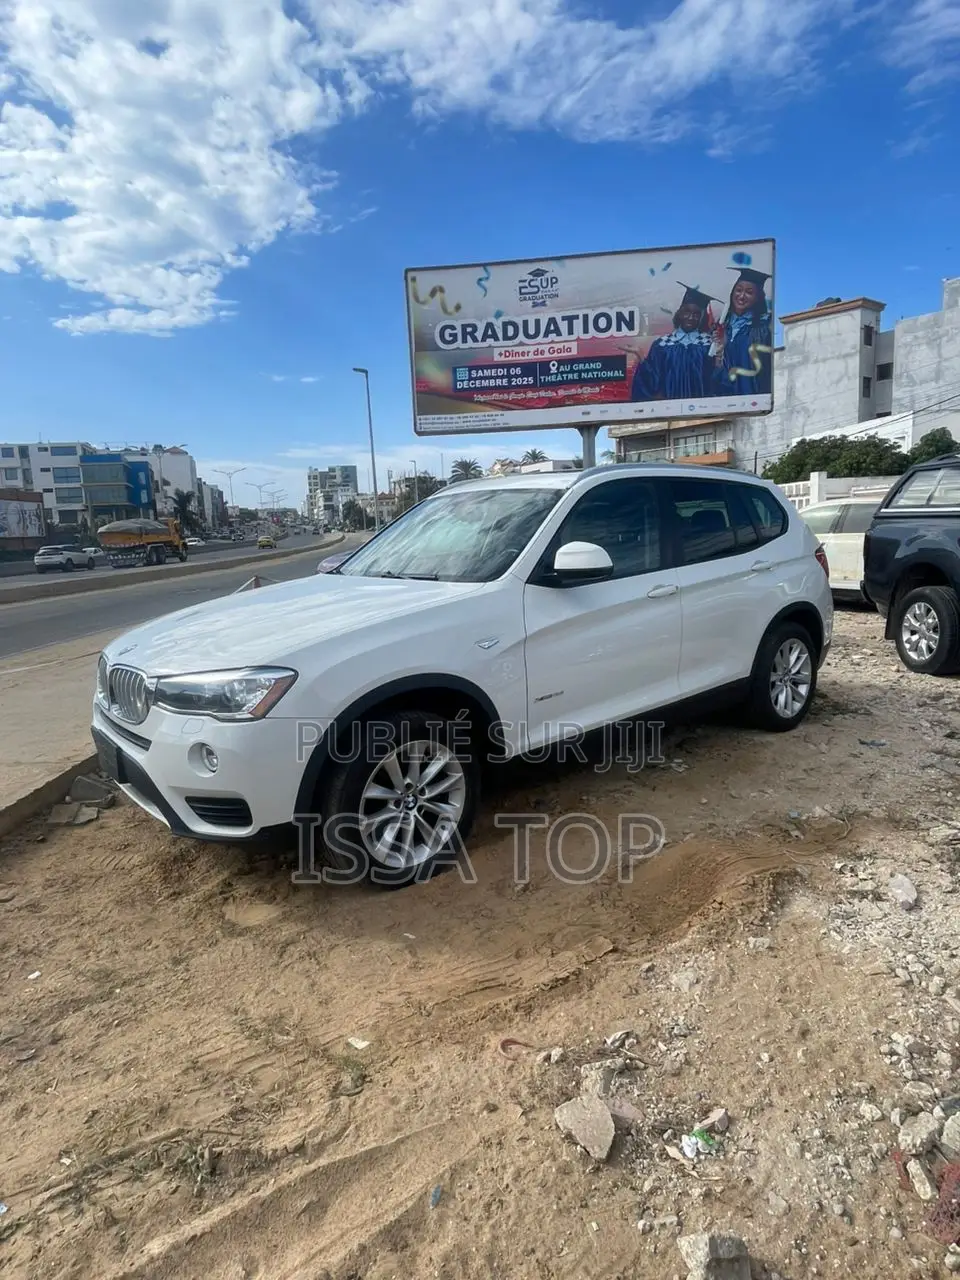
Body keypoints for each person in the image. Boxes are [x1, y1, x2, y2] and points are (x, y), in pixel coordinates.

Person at [630, 284, 720, 402]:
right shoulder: (662, 344)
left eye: (696, 314)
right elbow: (652, 381)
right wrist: (641, 356)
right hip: (671, 411)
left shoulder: (709, 344)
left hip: (701, 409)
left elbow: (716, 382)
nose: (691, 317)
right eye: (687, 312)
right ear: (680, 314)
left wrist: (719, 359)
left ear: (701, 317)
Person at [713, 267, 773, 397]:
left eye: (749, 292)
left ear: (758, 297)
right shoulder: (722, 326)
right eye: (738, 290)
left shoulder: (765, 325)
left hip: (753, 395)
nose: (741, 296)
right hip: (724, 396)